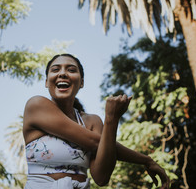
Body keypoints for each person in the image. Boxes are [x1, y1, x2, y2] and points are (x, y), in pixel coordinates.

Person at [23, 54, 170, 189]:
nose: (62, 73)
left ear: (81, 82)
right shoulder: (36, 106)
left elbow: (101, 178)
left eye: (71, 70)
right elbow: (95, 142)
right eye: (55, 69)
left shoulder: (92, 121)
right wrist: (146, 160)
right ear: (46, 82)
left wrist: (112, 120)